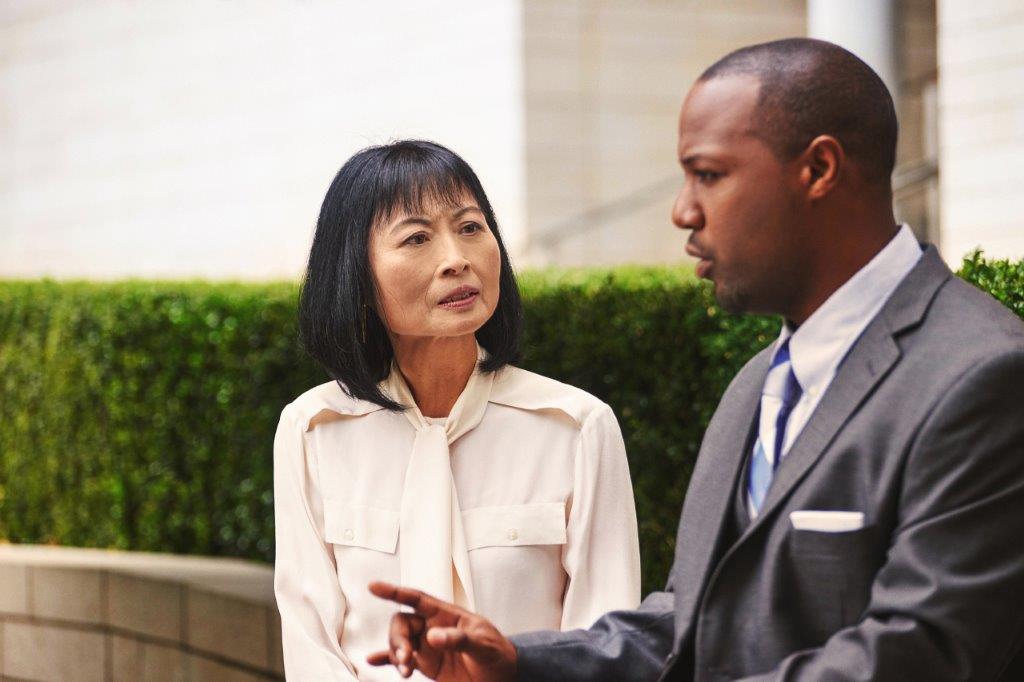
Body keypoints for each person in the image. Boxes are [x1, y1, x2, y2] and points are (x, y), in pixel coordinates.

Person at [368, 38, 1024, 681]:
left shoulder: (983, 374)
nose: (683, 210)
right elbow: (691, 623)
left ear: (819, 170)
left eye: (707, 174)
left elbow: (919, 653)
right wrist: (518, 659)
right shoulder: (755, 387)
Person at [273, 140, 642, 680]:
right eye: (417, 238)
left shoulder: (576, 427)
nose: (456, 259)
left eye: (471, 227)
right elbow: (311, 643)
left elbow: (602, 643)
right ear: (356, 273)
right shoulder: (312, 429)